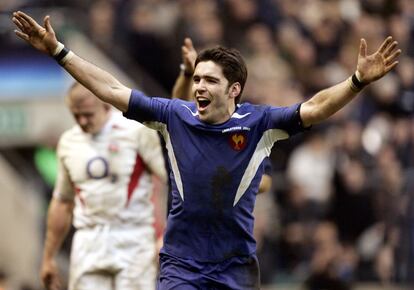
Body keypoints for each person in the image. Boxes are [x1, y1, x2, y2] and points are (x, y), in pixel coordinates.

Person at [12, 11, 401, 289]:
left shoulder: (260, 124)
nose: (199, 86)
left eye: (210, 80)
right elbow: (111, 89)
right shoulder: (173, 115)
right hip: (181, 264)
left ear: (234, 89)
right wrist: (58, 51)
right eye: (196, 78)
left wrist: (355, 82)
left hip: (235, 267)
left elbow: (315, 107)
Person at [39, 82, 166, 290]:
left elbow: (174, 183)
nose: (82, 121)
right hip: (88, 238)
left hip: (133, 236)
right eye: (76, 115)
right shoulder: (69, 142)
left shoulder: (136, 132)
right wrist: (48, 257)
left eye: (88, 114)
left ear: (106, 105)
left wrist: (167, 236)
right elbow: (62, 201)